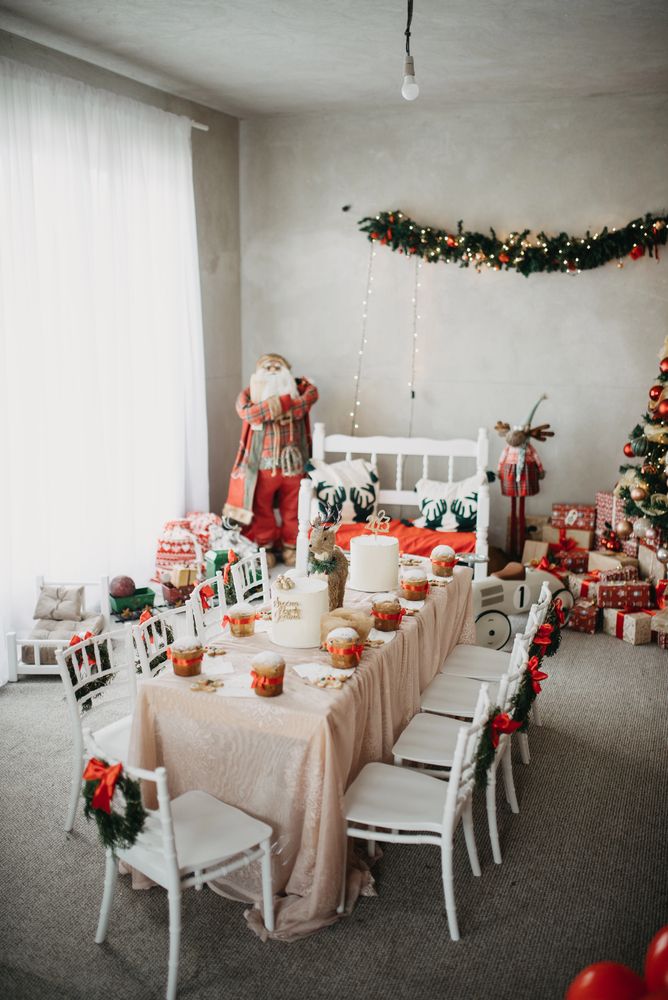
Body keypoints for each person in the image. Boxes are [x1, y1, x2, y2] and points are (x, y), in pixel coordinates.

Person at [224, 353, 318, 566]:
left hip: (293, 465)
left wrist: (275, 407)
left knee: (293, 508)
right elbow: (247, 412)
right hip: (264, 466)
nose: (274, 370)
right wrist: (283, 403)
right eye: (268, 367)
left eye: (278, 367)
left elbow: (310, 396)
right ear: (259, 373)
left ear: (287, 371)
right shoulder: (251, 392)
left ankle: (291, 547)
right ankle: (265, 547)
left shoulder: (299, 390)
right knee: (262, 508)